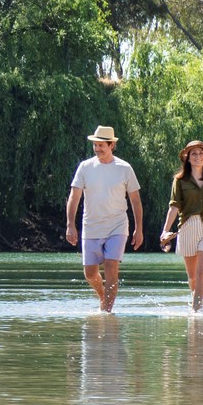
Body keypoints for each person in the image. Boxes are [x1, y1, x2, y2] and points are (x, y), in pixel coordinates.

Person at [63, 125, 142, 313]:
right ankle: (103, 296)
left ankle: (106, 312)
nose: (97, 149)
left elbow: (136, 201)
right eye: (95, 145)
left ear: (112, 145)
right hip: (91, 226)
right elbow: (74, 197)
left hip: (117, 225)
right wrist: (70, 225)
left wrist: (139, 229)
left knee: (111, 265)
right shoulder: (85, 167)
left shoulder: (125, 168)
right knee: (90, 273)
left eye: (101, 146)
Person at [158, 139, 203, 311]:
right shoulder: (180, 180)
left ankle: (196, 309)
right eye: (193, 154)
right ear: (187, 158)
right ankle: (196, 300)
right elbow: (174, 206)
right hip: (188, 228)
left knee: (202, 272)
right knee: (192, 277)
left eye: (201, 153)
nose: (198, 156)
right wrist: (165, 231)